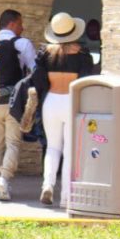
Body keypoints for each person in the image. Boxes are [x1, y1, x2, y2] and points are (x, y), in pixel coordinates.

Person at [38, 13, 94, 207]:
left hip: (51, 100)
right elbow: (86, 81)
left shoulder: (45, 53)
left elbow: (38, 79)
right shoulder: (83, 55)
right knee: (70, 150)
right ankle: (66, 197)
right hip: (72, 101)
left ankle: (48, 184)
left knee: (52, 147)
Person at [0, 9, 36, 201]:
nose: (22, 28)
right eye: (20, 24)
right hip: (14, 102)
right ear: (12, 24)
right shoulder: (22, 44)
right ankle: (4, 179)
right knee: (13, 142)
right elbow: (34, 71)